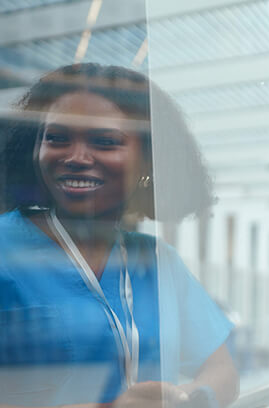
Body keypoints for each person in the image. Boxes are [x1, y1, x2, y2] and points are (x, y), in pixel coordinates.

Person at [0, 63, 239, 407]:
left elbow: (221, 368)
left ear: (147, 163)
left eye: (105, 142)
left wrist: (189, 399)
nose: (76, 157)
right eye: (56, 138)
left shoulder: (158, 261)